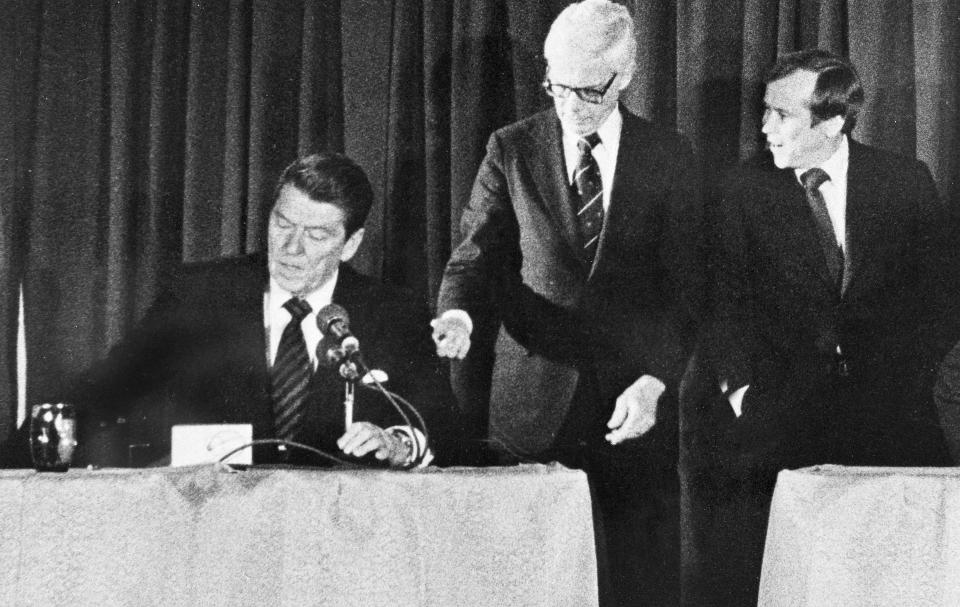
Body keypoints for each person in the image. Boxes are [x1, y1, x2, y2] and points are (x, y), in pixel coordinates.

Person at [432, 1, 704, 605]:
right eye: (556, 86)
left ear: (626, 75)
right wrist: (458, 313)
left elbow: (689, 291)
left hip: (634, 411)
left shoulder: (670, 156)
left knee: (640, 584)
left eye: (588, 90)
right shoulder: (511, 148)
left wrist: (657, 379)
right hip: (530, 408)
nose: (570, 106)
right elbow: (476, 258)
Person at [681, 49, 956, 606]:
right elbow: (721, 305)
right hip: (777, 423)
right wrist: (741, 393)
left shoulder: (904, 181)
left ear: (832, 122)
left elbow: (941, 299)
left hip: (889, 420)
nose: (763, 127)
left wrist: (908, 380)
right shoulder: (740, 190)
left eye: (781, 114)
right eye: (765, 110)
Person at [53, 153, 455, 468]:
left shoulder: (396, 313)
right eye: (283, 224)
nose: (291, 249)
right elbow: (107, 388)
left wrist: (399, 444)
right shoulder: (199, 294)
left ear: (350, 244)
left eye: (316, 235)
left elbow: (444, 425)